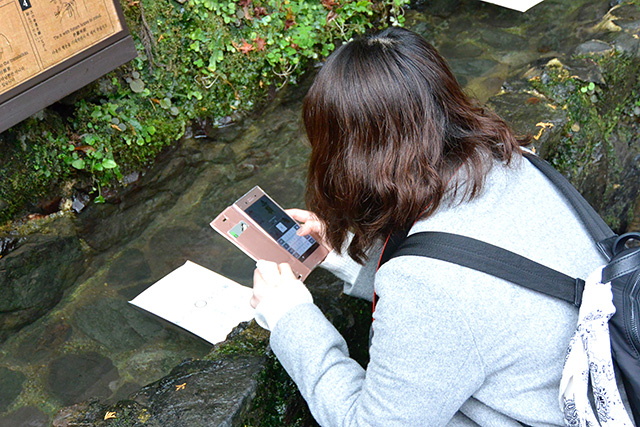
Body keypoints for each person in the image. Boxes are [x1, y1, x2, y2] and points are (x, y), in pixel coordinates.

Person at [249, 26, 614, 425]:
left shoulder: (426, 289)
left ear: (347, 158)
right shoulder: (509, 161)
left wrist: (290, 317)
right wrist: (346, 256)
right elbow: (477, 277)